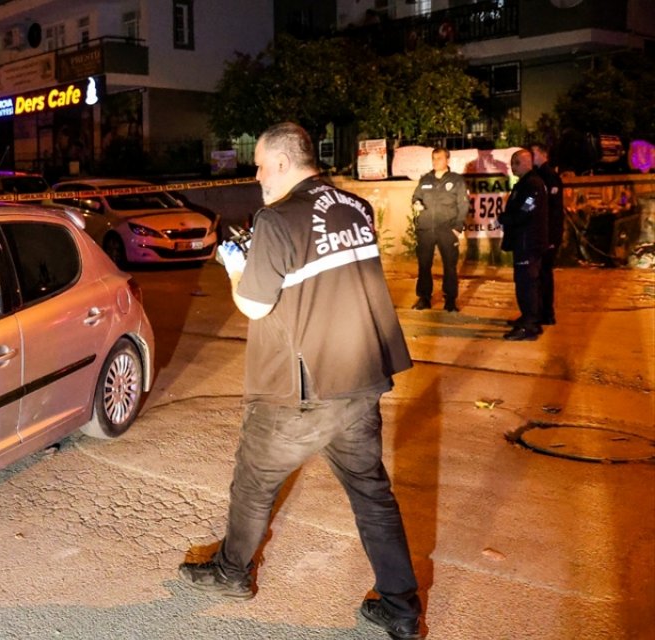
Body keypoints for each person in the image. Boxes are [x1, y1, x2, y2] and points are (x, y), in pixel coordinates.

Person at [178, 123, 422, 640]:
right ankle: (400, 607)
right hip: (360, 378)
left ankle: (231, 573)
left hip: (302, 388)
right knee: (372, 493)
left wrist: (235, 267)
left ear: (285, 163)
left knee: (254, 482)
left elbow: (255, 304)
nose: (258, 175)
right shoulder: (355, 207)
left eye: (262, 165)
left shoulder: (278, 217)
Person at [410, 147, 468, 312]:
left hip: (447, 230)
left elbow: (463, 205)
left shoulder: (456, 180)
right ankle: (424, 298)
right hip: (426, 229)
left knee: (449, 266)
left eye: (439, 158)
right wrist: (416, 203)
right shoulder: (426, 179)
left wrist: (457, 228)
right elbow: (416, 196)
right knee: (424, 265)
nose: (436, 162)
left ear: (447, 160)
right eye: (434, 158)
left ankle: (450, 300)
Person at [500, 149, 550, 341]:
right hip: (523, 241)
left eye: (517, 162)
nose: (513, 167)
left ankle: (529, 325)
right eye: (512, 163)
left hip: (528, 243)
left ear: (527, 163)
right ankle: (529, 319)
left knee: (526, 284)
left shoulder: (533, 184)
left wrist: (506, 218)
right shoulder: (524, 183)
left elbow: (526, 211)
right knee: (527, 282)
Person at [530, 143, 563, 326]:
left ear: (544, 154)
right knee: (540, 274)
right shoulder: (539, 176)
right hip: (543, 234)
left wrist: (551, 238)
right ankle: (542, 312)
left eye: (534, 154)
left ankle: (546, 313)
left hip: (548, 235)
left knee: (544, 274)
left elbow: (554, 211)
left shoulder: (549, 177)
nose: (532, 157)